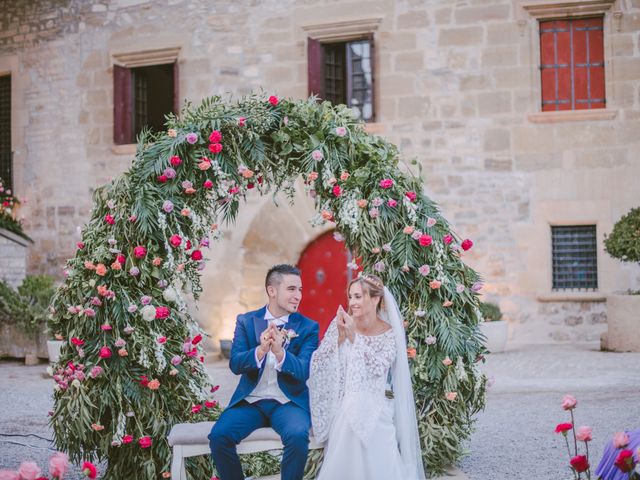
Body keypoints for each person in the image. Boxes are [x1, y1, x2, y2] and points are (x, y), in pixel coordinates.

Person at [308, 273, 426, 479]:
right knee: (347, 414)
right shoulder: (341, 326)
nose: (352, 303)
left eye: (358, 297)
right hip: (346, 398)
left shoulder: (390, 332)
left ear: (375, 299)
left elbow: (380, 367)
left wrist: (354, 338)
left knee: (376, 422)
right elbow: (318, 361)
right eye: (350, 297)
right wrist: (339, 339)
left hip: (378, 399)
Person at [208, 264, 320, 480]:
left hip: (288, 403)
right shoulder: (246, 321)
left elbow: (305, 370)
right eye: (291, 289)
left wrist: (280, 354)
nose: (298, 296)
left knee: (297, 436)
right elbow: (236, 364)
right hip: (251, 402)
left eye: (300, 290)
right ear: (272, 290)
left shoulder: (308, 327)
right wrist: (260, 350)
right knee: (219, 436)